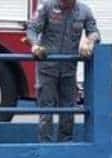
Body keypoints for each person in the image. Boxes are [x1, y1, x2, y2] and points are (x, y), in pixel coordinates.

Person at [27, 0, 99, 143]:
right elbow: (32, 29)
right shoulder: (47, 6)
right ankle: (45, 147)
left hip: (69, 70)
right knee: (46, 111)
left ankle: (66, 145)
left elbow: (94, 32)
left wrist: (89, 42)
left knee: (68, 111)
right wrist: (35, 45)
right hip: (47, 68)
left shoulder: (84, 11)